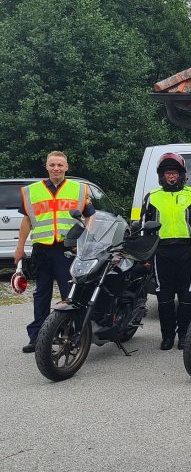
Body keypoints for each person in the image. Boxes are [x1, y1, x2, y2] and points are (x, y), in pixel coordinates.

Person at [15, 151, 94, 353]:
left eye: (60, 165)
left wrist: (84, 241)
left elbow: (89, 216)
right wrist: (20, 247)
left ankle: (72, 335)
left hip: (67, 250)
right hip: (42, 250)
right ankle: (37, 338)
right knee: (41, 294)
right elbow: (26, 221)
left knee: (70, 294)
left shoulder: (79, 190)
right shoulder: (32, 191)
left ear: (67, 167)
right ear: (46, 166)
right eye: (52, 165)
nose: (56, 168)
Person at [140, 153, 191, 350]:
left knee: (187, 296)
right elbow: (145, 227)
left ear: (182, 175)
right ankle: (167, 337)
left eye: (175, 173)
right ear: (162, 176)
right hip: (161, 253)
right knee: (164, 297)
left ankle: (185, 336)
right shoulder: (152, 197)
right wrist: (146, 255)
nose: (171, 177)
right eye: (168, 173)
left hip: (186, 251)